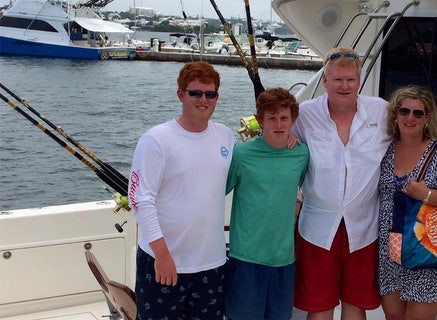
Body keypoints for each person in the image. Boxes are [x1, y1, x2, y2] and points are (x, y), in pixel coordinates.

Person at [291, 47, 437, 320]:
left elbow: (414, 129)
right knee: (319, 307)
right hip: (317, 228)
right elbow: (274, 136)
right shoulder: (303, 114)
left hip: (364, 229)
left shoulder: (380, 111)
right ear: (325, 81)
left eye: (350, 79)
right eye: (337, 79)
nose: (344, 85)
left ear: (359, 80)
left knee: (355, 304)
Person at [128, 61, 235, 320]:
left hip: (212, 264)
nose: (203, 100)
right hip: (164, 262)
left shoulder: (226, 136)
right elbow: (139, 199)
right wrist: (162, 255)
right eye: (195, 93)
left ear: (217, 97)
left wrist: (289, 137)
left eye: (210, 94)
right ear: (180, 95)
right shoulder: (156, 140)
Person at [377, 85, 437, 320]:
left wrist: (427, 194)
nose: (410, 117)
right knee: (393, 316)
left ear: (427, 117)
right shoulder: (384, 148)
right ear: (395, 114)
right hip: (389, 251)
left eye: (417, 113)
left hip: (427, 249)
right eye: (404, 111)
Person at [224, 87, 309, 320]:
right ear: (260, 120)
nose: (279, 125)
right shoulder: (241, 154)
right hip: (246, 258)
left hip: (284, 259)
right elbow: (215, 193)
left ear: (293, 120)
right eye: (271, 118)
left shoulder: (302, 154)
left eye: (284, 118)